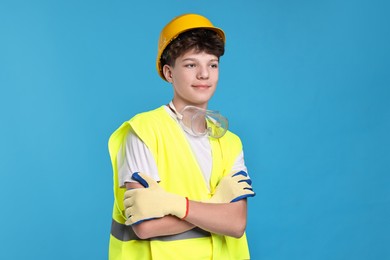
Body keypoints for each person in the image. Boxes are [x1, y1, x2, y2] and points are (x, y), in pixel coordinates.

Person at [108, 13, 255, 259]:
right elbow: (145, 226)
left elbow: (236, 224)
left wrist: (173, 206)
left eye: (212, 64)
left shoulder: (230, 143)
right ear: (168, 73)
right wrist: (216, 204)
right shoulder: (144, 131)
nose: (204, 74)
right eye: (190, 64)